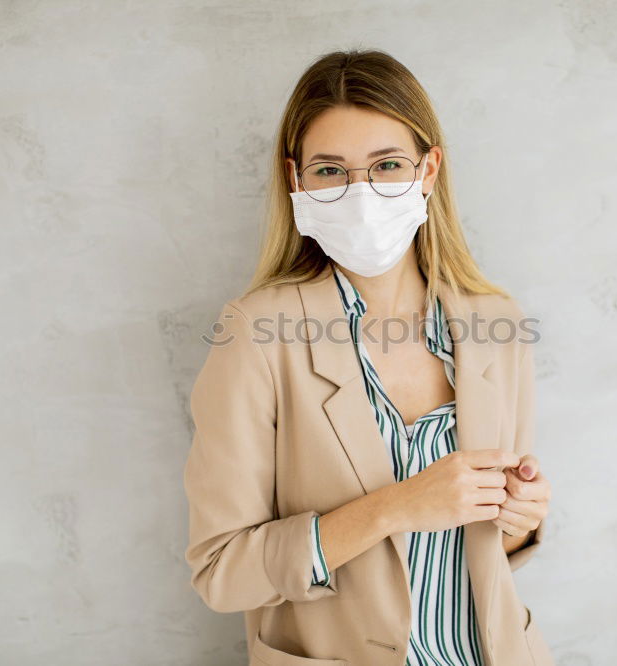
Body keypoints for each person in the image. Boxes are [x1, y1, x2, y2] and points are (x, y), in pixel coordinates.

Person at [183, 48, 554, 665]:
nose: (361, 192)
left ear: (428, 170)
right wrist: (397, 507)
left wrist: (520, 516)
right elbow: (222, 570)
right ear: (296, 180)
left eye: (386, 164)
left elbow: (489, 551)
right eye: (330, 170)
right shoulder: (256, 333)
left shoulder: (497, 324)